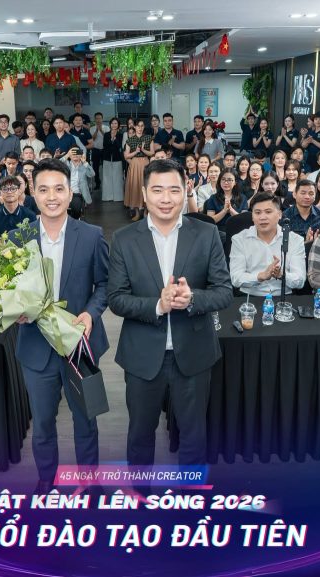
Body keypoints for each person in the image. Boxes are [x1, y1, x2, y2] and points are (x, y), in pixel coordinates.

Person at [107, 158, 232, 469]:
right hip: (142, 355)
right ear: (144, 193)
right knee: (140, 435)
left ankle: (190, 493)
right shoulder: (124, 239)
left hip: (194, 352)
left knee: (193, 435)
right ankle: (140, 492)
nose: (166, 199)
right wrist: (158, 306)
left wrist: (192, 299)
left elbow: (224, 291)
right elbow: (116, 299)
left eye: (174, 190)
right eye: (158, 190)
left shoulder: (206, 233)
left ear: (186, 190)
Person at [13, 158, 110, 494]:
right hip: (35, 346)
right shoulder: (19, 238)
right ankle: (46, 480)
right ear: (33, 193)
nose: (51, 197)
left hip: (79, 344)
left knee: (86, 419)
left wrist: (91, 313)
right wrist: (16, 310)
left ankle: (90, 483)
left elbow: (104, 285)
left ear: (70, 193)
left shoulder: (92, 235)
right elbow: (9, 287)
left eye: (59, 189)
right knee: (42, 424)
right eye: (43, 190)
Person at [229, 193, 307, 297]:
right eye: (257, 212)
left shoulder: (295, 240)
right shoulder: (239, 239)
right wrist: (260, 276)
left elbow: (300, 281)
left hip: (283, 297)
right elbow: (235, 278)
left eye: (268, 212)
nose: (262, 217)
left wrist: (282, 275)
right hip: (249, 297)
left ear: (279, 214)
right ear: (252, 216)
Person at [123, 119, 155, 221]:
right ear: (135, 127)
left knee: (146, 186)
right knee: (135, 187)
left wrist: (143, 150)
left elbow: (152, 153)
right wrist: (136, 152)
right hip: (134, 164)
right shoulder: (130, 140)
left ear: (144, 127)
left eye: (142, 126)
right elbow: (126, 156)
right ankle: (137, 212)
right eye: (138, 126)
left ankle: (146, 212)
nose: (140, 128)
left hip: (146, 163)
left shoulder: (148, 138)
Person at [97, 118, 125, 204]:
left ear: (118, 125)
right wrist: (111, 139)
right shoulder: (106, 134)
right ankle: (107, 196)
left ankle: (118, 197)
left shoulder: (121, 135)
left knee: (117, 177)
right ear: (110, 125)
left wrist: (114, 139)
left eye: (115, 123)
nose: (114, 125)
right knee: (107, 177)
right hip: (107, 157)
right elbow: (105, 145)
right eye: (112, 123)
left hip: (117, 157)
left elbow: (120, 146)